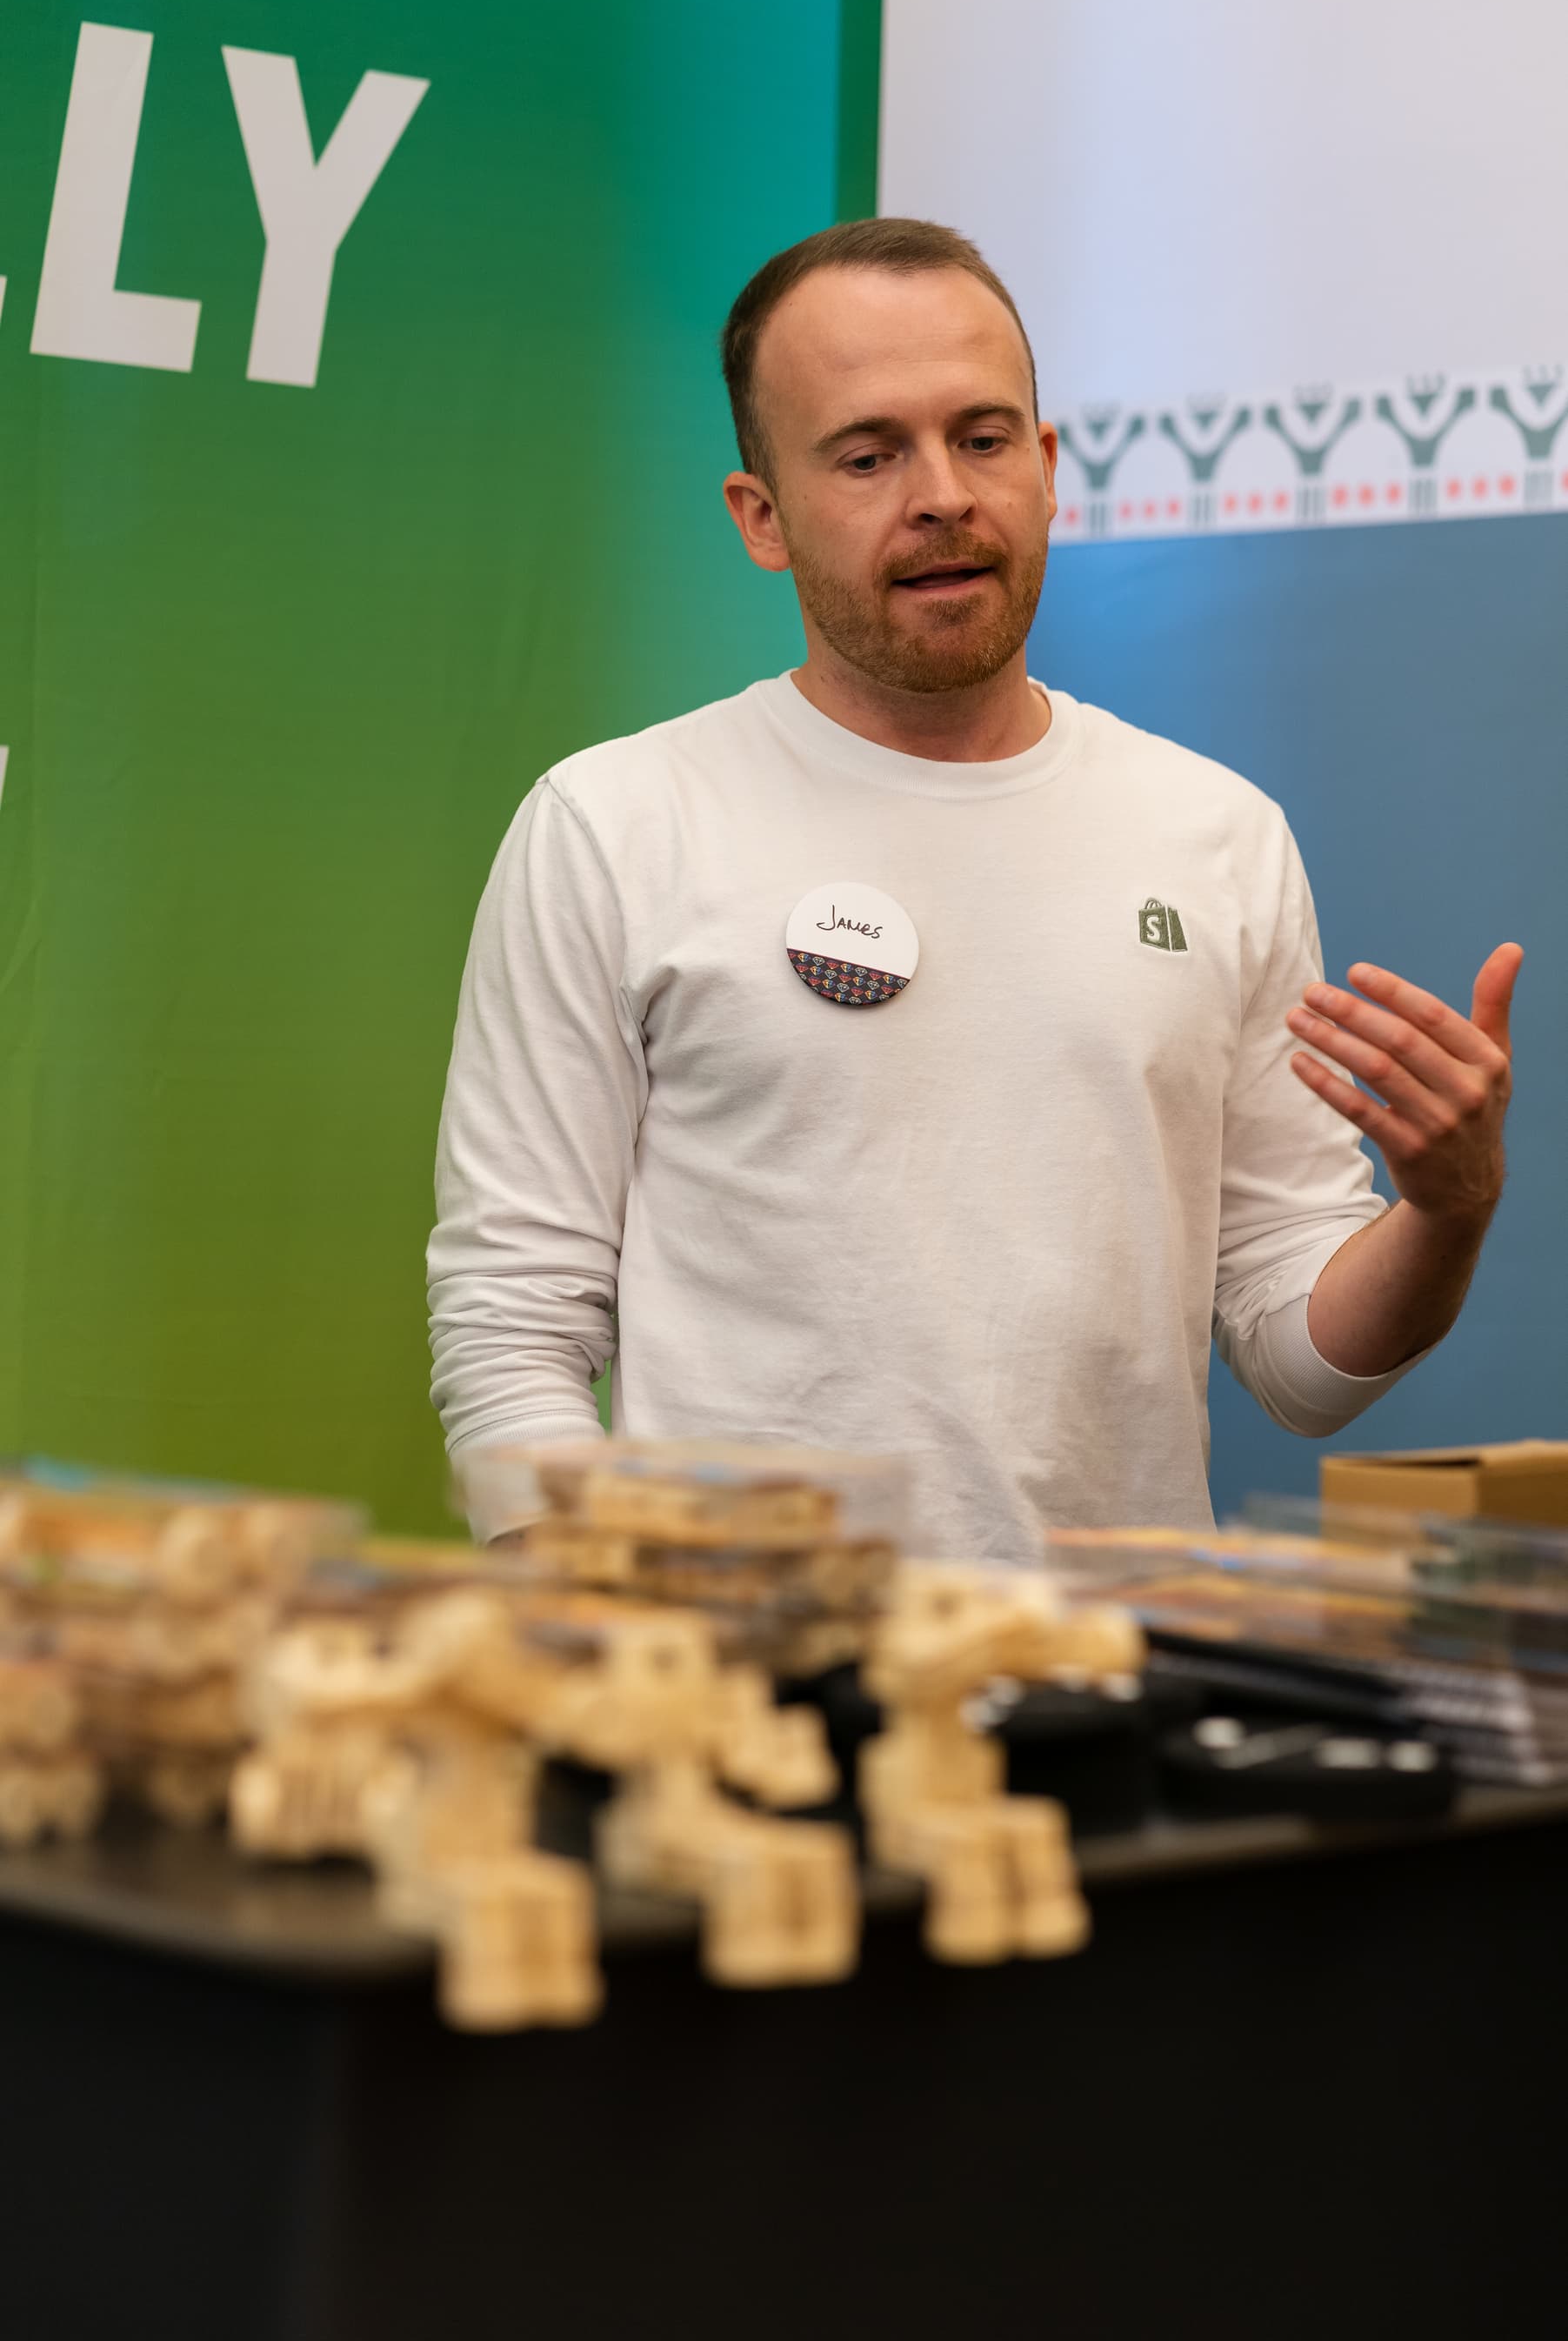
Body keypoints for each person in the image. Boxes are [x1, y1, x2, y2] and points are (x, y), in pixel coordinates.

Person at [426, 218, 1521, 1562]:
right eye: (868, 454)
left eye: (983, 437)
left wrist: (1448, 1211)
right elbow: (511, 1328)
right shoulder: (614, 824)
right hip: (743, 1672)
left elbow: (1301, 1365)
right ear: (761, 518)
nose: (943, 495)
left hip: (1116, 1670)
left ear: (1048, 469)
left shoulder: (1217, 834)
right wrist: (605, 1634)